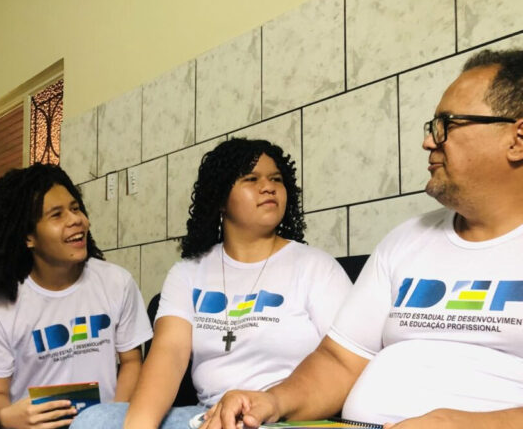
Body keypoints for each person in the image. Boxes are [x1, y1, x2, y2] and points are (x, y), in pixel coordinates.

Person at [203, 49, 523, 429]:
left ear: (517, 139)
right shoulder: (406, 240)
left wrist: (470, 424)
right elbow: (340, 362)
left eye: (446, 125)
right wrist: (272, 401)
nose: (428, 142)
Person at [71, 138, 352, 429]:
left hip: (282, 417)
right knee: (96, 419)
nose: (268, 187)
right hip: (207, 417)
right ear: (220, 198)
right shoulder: (188, 272)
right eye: (251, 179)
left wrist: (271, 405)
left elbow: (346, 362)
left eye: (276, 179)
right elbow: (169, 354)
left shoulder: (317, 267)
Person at [0, 164, 152, 429]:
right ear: (28, 237)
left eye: (75, 208)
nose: (76, 220)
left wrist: (112, 419)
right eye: (57, 215)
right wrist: (7, 416)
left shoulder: (117, 283)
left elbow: (132, 362)